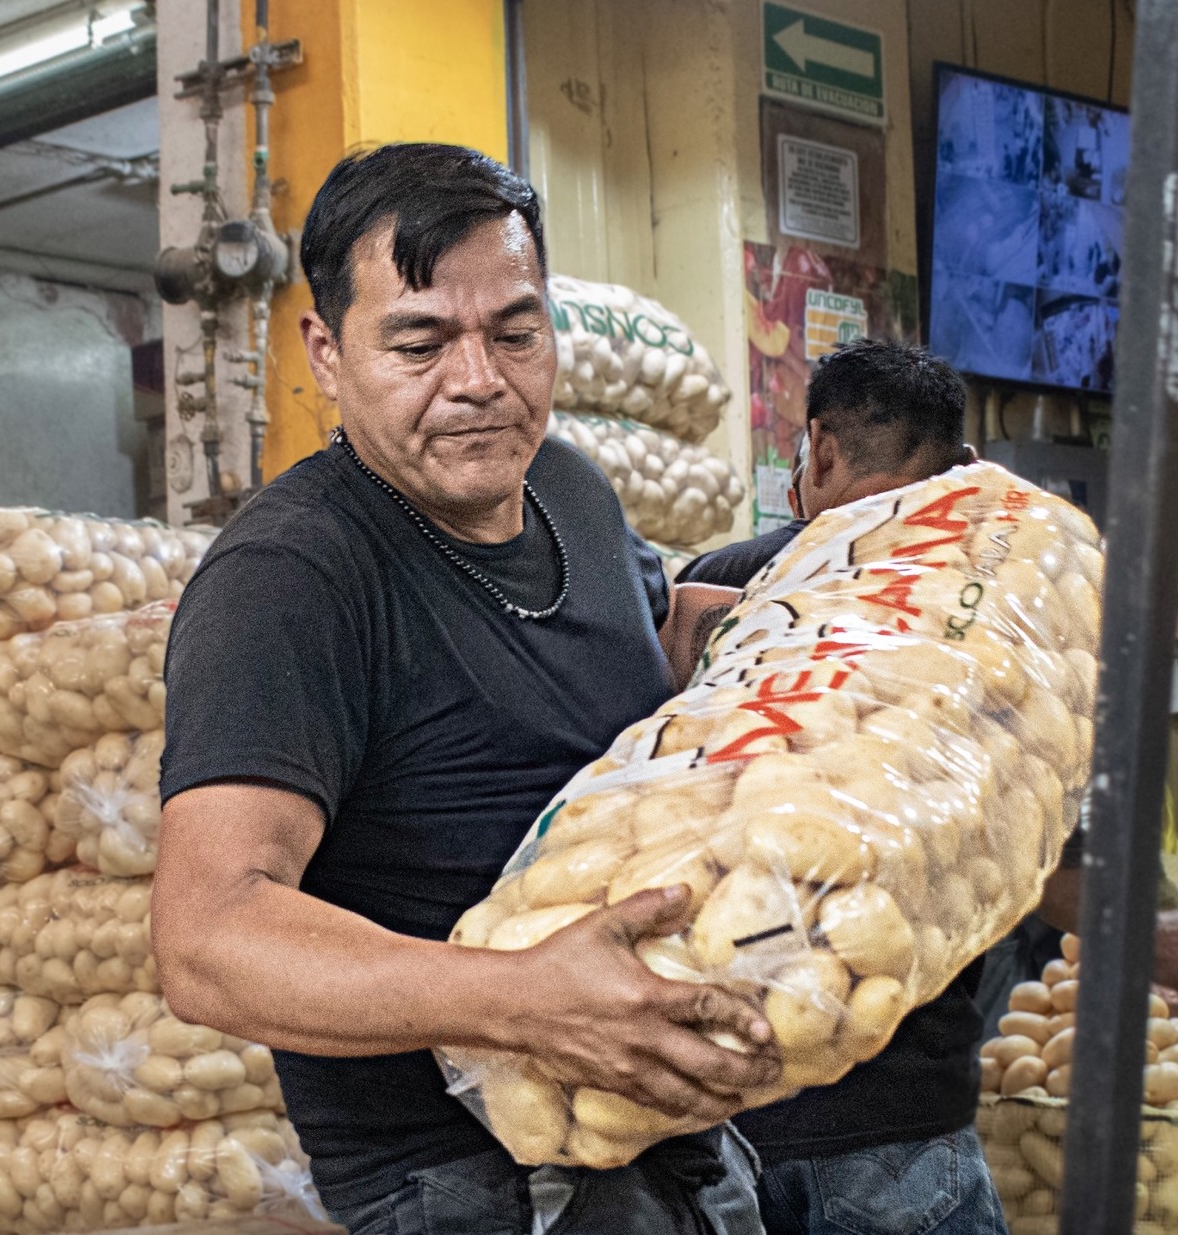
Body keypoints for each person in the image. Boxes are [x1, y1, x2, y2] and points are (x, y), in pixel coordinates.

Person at [150, 144, 776, 1235]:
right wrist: (526, 998)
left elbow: (648, 634)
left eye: (515, 332)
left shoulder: (565, 486)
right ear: (327, 354)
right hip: (473, 1186)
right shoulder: (292, 576)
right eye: (420, 340)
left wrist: (827, 625)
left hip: (673, 1144)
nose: (480, 378)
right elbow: (207, 936)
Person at [680, 340, 1011, 1235]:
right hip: (900, 1126)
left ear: (817, 451)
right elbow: (1052, 873)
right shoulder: (993, 615)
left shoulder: (713, 588)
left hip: (722, 1118)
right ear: (963, 469)